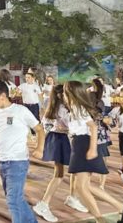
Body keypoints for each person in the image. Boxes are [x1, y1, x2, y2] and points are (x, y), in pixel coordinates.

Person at [63, 81, 123, 223]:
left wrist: (93, 149)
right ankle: (119, 209)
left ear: (70, 93)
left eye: (65, 91)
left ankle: (104, 218)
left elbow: (93, 127)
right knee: (84, 186)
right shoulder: (76, 107)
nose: (63, 94)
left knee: (81, 187)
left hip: (83, 144)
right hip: (79, 143)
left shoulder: (78, 107)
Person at [0, 79, 45, 223]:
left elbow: (39, 129)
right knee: (15, 199)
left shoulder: (20, 111)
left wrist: (40, 148)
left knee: (13, 201)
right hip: (2, 161)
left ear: (2, 96)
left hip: (18, 161)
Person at [33, 84, 87, 222]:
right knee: (60, 174)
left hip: (59, 139)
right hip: (61, 139)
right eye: (66, 93)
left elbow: (46, 124)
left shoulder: (55, 106)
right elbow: (71, 126)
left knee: (72, 170)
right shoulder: (62, 109)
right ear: (60, 95)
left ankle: (72, 197)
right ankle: (44, 204)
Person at [17, 69, 42, 136]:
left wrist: (42, 106)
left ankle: (35, 134)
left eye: (28, 77)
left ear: (33, 78)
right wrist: (17, 92)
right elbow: (16, 92)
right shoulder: (22, 86)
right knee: (25, 119)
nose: (27, 79)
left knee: (35, 120)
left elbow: (40, 96)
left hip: (35, 106)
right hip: (26, 106)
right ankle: (25, 134)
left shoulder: (36, 86)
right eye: (26, 77)